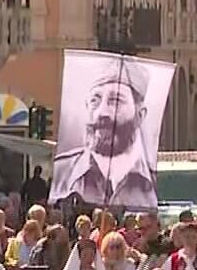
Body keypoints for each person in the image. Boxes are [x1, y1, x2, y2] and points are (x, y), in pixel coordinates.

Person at [50, 64, 157, 209]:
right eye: (95, 100)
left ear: (140, 114)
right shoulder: (64, 171)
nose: (102, 112)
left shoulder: (155, 179)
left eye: (116, 101)